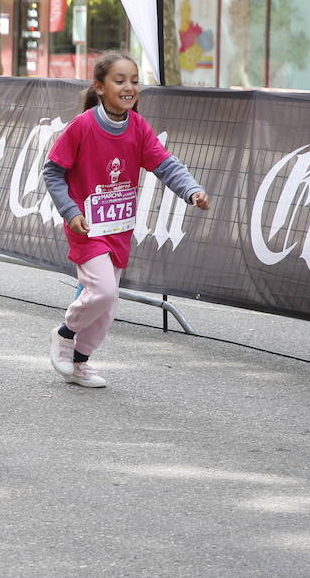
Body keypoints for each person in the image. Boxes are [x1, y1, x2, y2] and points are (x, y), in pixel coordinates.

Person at [44, 52, 209, 387]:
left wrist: (192, 191)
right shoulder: (83, 126)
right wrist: (72, 212)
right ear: (100, 87)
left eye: (134, 80)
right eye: (119, 81)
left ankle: (80, 362)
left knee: (107, 305)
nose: (129, 87)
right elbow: (53, 172)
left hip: (118, 227)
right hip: (86, 227)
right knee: (103, 291)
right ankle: (63, 335)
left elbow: (165, 164)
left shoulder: (138, 127)